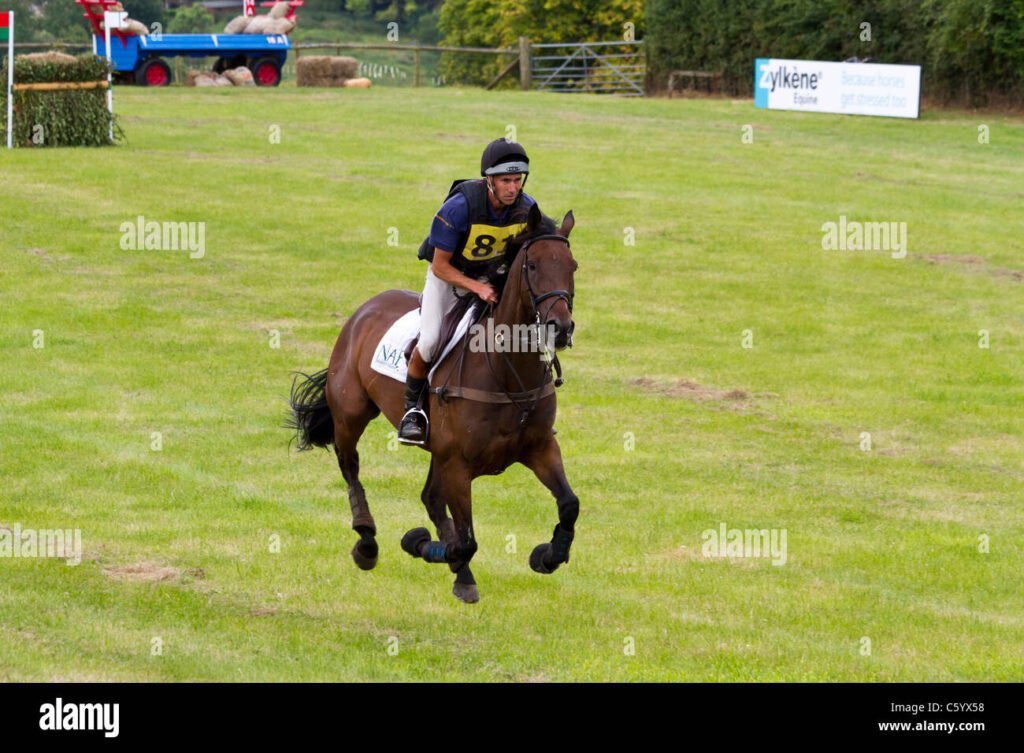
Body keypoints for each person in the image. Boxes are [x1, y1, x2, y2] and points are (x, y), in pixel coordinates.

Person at [397, 138, 541, 444]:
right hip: (449, 279)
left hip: (490, 280)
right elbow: (440, 266)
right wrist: (477, 287)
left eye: (517, 180)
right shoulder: (459, 207)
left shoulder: (525, 209)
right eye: (505, 181)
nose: (513, 188)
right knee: (432, 339)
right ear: (489, 180)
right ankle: (412, 412)